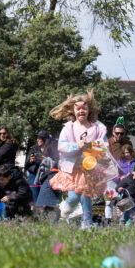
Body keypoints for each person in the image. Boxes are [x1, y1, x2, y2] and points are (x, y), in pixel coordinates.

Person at [49, 90, 109, 229]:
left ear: (89, 110)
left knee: (85, 197)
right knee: (75, 196)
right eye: (78, 108)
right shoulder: (68, 128)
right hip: (73, 169)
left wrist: (93, 148)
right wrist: (77, 145)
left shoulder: (97, 128)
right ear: (73, 110)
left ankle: (87, 224)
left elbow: (104, 145)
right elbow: (62, 146)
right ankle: (67, 207)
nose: (81, 111)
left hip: (89, 169)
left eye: (84, 108)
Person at [25, 131, 53, 202]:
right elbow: (26, 164)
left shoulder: (51, 149)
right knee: (35, 196)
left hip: (46, 176)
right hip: (34, 175)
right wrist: (30, 160)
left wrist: (45, 158)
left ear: (45, 140)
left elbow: (55, 162)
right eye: (37, 138)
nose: (37, 139)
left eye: (40, 138)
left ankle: (46, 211)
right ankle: (36, 211)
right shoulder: (33, 148)